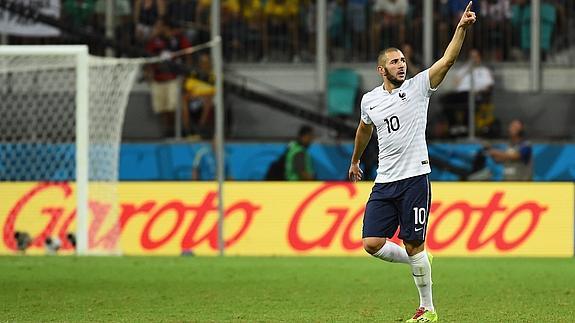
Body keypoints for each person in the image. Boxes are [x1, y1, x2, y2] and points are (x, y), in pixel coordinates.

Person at [348, 2, 476, 322]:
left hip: (415, 179)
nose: (401, 65)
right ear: (382, 69)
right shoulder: (370, 100)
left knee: (413, 242)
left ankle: (427, 309)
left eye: (403, 60)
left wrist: (459, 29)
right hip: (384, 182)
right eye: (395, 61)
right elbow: (364, 128)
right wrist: (354, 161)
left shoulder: (419, 88)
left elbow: (447, 60)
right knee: (372, 243)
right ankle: (420, 261)